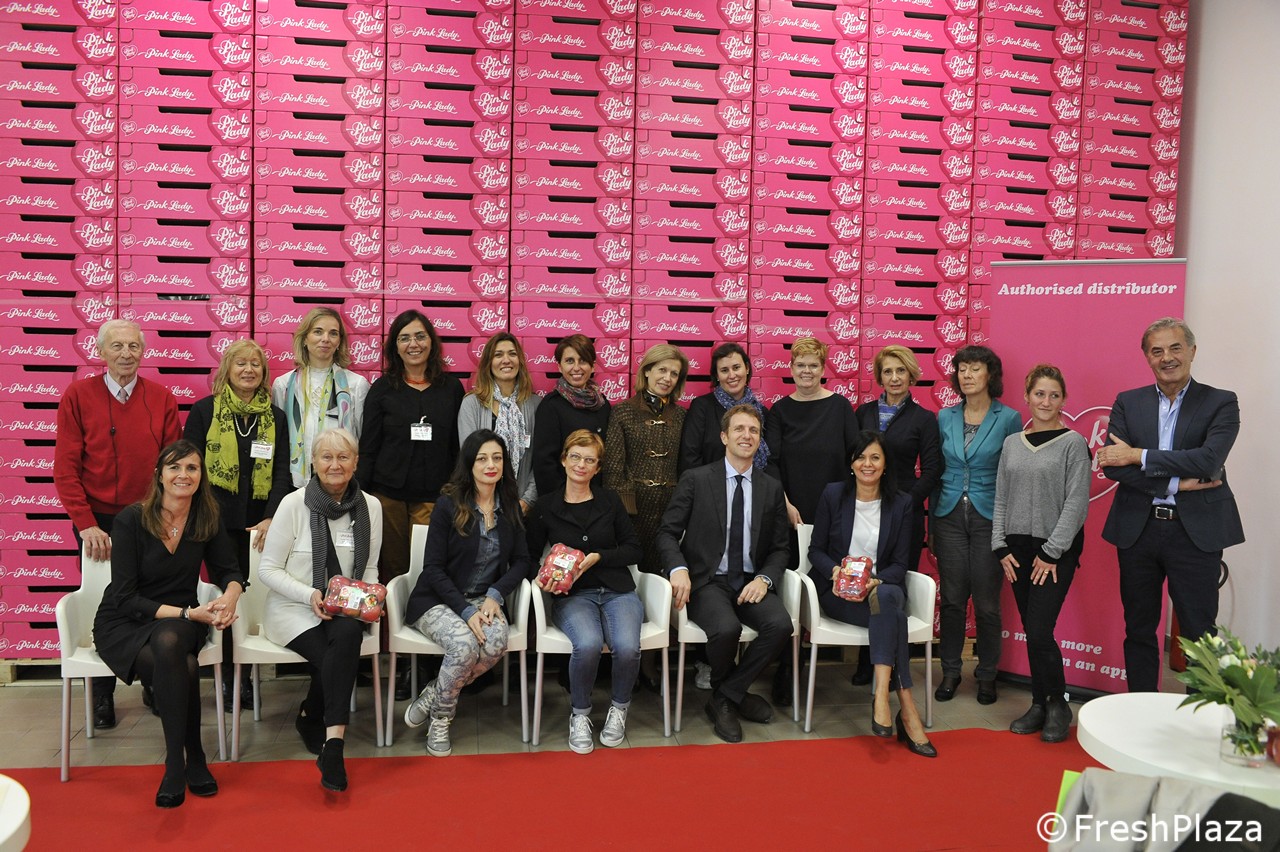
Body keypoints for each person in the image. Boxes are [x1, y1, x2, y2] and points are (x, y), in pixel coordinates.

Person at [92, 440, 244, 807]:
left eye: (192, 468)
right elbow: (125, 598)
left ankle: (176, 764)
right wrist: (188, 613)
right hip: (125, 621)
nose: (183, 475)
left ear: (201, 475)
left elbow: (229, 570)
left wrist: (231, 595)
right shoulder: (131, 519)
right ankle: (190, 758)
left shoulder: (206, 517)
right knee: (183, 664)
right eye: (174, 467)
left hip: (179, 622)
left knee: (171, 642)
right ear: (159, 475)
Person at [1097, 318, 1244, 693]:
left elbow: (1208, 461)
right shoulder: (1128, 402)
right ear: (1147, 357)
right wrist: (1174, 482)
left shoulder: (1221, 402)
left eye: (1175, 348)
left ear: (1192, 351)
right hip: (1138, 529)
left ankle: (1201, 717)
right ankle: (1141, 708)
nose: (1167, 357)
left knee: (1199, 632)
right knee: (1139, 628)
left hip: (1194, 533)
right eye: (1157, 350)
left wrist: (1138, 455)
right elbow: (1113, 465)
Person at [56, 318, 182, 729]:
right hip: (98, 523)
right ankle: (101, 693)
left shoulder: (161, 398)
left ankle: (153, 679)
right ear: (101, 351)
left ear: (143, 351)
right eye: (117, 346)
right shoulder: (78, 396)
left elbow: (173, 466)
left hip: (148, 517)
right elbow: (66, 468)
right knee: (104, 601)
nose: (126, 354)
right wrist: (85, 523)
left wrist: (167, 515)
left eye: (133, 346)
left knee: (151, 597)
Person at [657, 405, 791, 744]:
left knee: (780, 626)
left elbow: (780, 548)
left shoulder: (771, 488)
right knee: (726, 628)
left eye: (754, 431)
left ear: (760, 440)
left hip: (750, 581)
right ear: (724, 437)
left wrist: (764, 579)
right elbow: (667, 533)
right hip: (707, 581)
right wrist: (678, 569)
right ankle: (733, 696)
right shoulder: (697, 479)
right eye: (739, 429)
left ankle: (725, 696)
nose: (747, 436)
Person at [257, 428, 382, 793]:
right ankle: (313, 718)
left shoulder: (371, 507)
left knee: (347, 634)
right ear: (313, 462)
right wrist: (309, 594)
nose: (334, 465)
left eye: (343, 457)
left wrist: (370, 599)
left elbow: (370, 568)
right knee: (335, 654)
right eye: (326, 457)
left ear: (356, 462)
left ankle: (333, 746)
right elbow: (268, 570)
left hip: (344, 608)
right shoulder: (292, 504)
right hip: (293, 608)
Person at [402, 430, 531, 757]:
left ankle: (435, 693)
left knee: (497, 642)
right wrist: (465, 610)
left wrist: (496, 593)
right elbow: (432, 568)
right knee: (463, 645)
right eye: (482, 459)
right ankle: (441, 718)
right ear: (470, 464)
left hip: (484, 599)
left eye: (497, 458)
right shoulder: (448, 505)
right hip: (437, 599)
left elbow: (522, 561)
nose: (491, 465)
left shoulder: (510, 506)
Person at [808, 430, 936, 758]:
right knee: (894, 617)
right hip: (838, 592)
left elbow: (900, 563)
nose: (868, 464)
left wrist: (874, 581)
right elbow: (816, 550)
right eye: (861, 457)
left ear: (886, 463)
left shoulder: (902, 503)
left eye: (875, 457)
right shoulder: (833, 495)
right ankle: (905, 706)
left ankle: (882, 694)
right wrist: (835, 572)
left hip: (880, 587)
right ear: (851, 463)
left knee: (887, 598)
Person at [357, 310, 464, 699]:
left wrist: (456, 494)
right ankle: (401, 659)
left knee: (427, 575)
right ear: (394, 346)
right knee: (393, 575)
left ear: (431, 343)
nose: (413, 344)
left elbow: (457, 447)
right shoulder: (382, 389)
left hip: (435, 498)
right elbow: (369, 446)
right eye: (404, 338)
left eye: (420, 336)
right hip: (387, 497)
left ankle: (431, 657)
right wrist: (360, 497)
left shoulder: (451, 389)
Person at [184, 339, 292, 711]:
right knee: (225, 597)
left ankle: (248, 673)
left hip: (261, 527)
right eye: (240, 363)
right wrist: (206, 517)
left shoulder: (276, 417)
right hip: (215, 524)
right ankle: (231, 678)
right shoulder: (204, 411)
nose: (248, 370)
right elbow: (191, 468)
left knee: (254, 597)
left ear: (264, 373)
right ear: (227, 370)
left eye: (255, 364)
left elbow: (282, 471)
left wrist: (271, 516)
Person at [527, 430, 644, 754]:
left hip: (618, 590)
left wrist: (599, 557)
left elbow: (634, 549)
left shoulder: (610, 501)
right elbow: (527, 556)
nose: (581, 464)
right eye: (575, 457)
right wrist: (539, 579)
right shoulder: (546, 506)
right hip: (574, 596)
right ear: (564, 460)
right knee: (589, 644)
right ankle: (580, 715)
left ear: (597, 468)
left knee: (627, 647)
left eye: (589, 460)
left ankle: (619, 709)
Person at [992, 365, 1091, 742]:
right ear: (1027, 397)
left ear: (1063, 399)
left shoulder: (1073, 444)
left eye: (1054, 395)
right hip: (1016, 550)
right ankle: (1039, 704)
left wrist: (1051, 552)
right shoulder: (1012, 443)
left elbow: (1076, 504)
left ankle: (1058, 702)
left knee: (1038, 629)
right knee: (1032, 630)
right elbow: (1001, 496)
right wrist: (999, 545)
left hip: (1054, 552)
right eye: (1039, 394)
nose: (1046, 401)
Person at [932, 345, 1022, 705]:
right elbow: (937, 470)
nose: (967, 375)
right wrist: (931, 523)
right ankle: (950, 672)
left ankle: (987, 675)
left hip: (990, 517)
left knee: (986, 603)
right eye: (962, 369)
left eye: (974, 368)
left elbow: (1013, 473)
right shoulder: (945, 416)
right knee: (952, 600)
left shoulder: (1009, 418)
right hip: (949, 515)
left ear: (990, 374)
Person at [850, 345, 942, 685]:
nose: (894, 378)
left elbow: (932, 470)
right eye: (887, 371)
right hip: (864, 510)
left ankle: (889, 665)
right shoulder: (863, 413)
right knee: (862, 580)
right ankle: (866, 661)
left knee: (891, 586)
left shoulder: (924, 419)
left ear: (911, 375)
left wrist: (905, 504)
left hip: (904, 517)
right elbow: (852, 459)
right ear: (879, 376)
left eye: (900, 371)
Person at [602, 343, 688, 692]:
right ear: (647, 371)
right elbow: (613, 468)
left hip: (669, 516)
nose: (667, 378)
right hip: (632, 517)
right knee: (629, 587)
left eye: (674, 373)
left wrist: (679, 509)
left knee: (661, 588)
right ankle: (623, 660)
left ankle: (650, 663)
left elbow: (686, 467)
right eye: (662, 370)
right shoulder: (622, 412)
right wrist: (628, 513)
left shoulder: (681, 416)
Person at [271, 307, 370, 488]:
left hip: (341, 481)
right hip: (294, 483)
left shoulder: (356, 384)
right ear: (304, 339)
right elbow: (279, 440)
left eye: (333, 333)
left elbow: (363, 438)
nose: (325, 339)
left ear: (339, 342)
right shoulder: (283, 385)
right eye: (318, 332)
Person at [458, 332, 541, 511]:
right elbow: (469, 458)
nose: (506, 360)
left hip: (522, 505)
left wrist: (527, 501)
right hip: (480, 505)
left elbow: (540, 459)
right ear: (489, 363)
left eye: (512, 354)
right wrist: (484, 505)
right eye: (498, 355)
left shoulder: (535, 404)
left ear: (520, 361)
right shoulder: (471, 404)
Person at [530, 334, 612, 496]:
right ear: (559, 367)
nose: (576, 367)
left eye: (583, 361)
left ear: (593, 366)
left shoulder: (603, 404)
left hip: (597, 498)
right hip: (564, 499)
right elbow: (544, 463)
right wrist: (565, 500)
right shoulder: (551, 406)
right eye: (569, 361)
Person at [680, 341, 769, 472]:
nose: (732, 375)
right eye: (724, 370)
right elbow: (689, 458)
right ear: (717, 375)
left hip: (753, 483)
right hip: (709, 483)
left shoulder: (761, 412)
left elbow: (771, 461)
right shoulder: (701, 407)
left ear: (747, 368)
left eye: (736, 367)